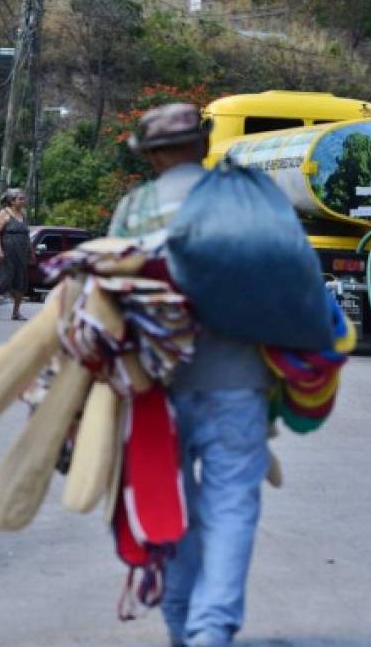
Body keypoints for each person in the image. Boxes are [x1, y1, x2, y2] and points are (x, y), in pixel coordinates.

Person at [109, 103, 274, 646]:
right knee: (230, 506)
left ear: (152, 156)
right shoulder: (245, 201)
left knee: (169, 503)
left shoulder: (133, 211)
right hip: (237, 381)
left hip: (155, 390)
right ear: (202, 145)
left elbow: (108, 304)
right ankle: (211, 628)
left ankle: (182, 621)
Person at [0, 189, 32, 320]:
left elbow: (26, 234)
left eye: (24, 198)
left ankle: (16, 312)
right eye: (20, 199)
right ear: (12, 201)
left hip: (22, 252)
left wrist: (31, 251)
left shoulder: (24, 213)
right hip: (8, 252)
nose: (23, 201)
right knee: (6, 279)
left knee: (21, 281)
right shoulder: (4, 213)